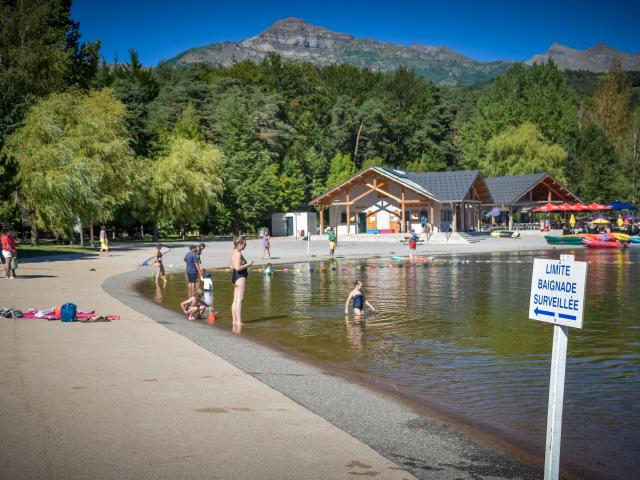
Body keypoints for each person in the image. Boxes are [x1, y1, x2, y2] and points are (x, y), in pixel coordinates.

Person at [230, 236, 253, 326]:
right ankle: (239, 322)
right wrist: (248, 264)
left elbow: (231, 266)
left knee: (235, 300)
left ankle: (234, 321)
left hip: (235, 277)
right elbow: (237, 267)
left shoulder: (233, 252)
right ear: (240, 244)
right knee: (239, 300)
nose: (245, 246)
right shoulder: (238, 254)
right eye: (245, 244)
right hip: (240, 277)